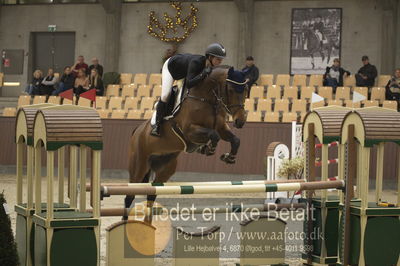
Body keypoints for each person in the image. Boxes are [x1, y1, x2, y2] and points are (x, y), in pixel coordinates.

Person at [151, 43, 227, 137]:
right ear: (210, 57)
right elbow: (189, 83)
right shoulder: (196, 62)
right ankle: (157, 124)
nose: (220, 62)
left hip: (185, 72)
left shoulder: (210, 67)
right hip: (171, 68)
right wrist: (203, 74)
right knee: (165, 95)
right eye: (218, 59)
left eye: (221, 60)